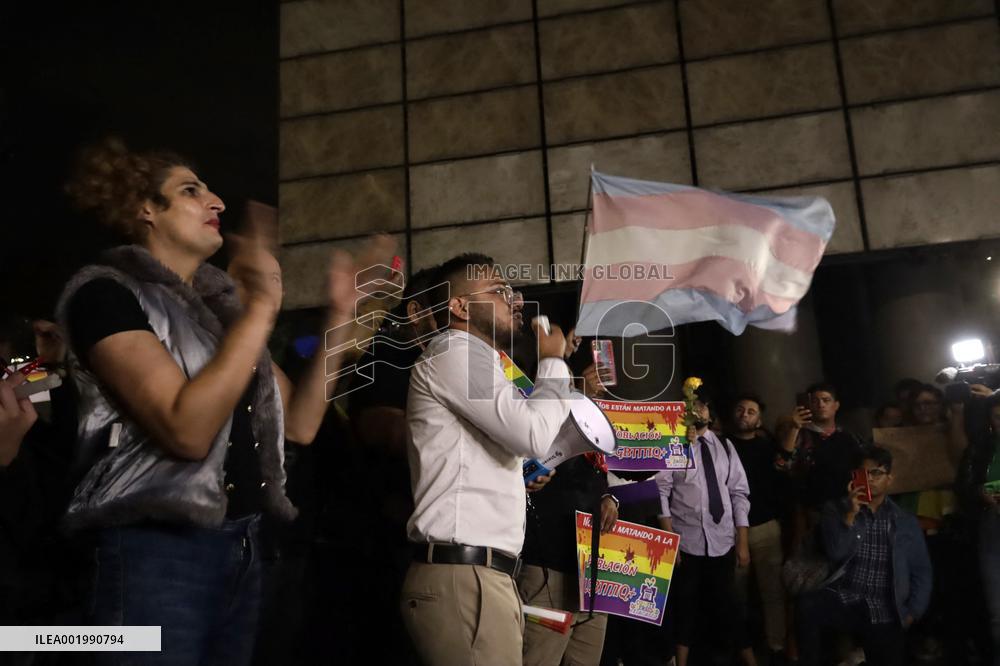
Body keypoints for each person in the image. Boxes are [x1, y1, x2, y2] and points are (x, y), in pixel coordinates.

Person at [56, 139, 376, 664]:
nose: (218, 202)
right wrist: (260, 312)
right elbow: (186, 430)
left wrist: (341, 316)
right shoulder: (105, 294)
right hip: (150, 551)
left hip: (242, 547)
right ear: (145, 210)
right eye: (190, 191)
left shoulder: (218, 316)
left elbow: (299, 424)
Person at [401, 253, 575, 666]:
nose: (514, 300)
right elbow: (532, 433)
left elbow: (478, 456)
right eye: (499, 291)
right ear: (459, 307)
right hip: (465, 576)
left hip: (480, 574)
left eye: (512, 291)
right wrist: (553, 361)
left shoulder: (480, 363)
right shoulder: (456, 351)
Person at [519, 356, 619, 666]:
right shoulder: (537, 416)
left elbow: (598, 479)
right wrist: (577, 394)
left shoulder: (596, 430)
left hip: (590, 571)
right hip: (547, 567)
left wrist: (609, 498)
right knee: (540, 656)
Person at [797, 445, 932, 666]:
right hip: (847, 596)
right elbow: (836, 553)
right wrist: (850, 515)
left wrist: (913, 612)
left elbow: (922, 570)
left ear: (889, 478)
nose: (869, 479)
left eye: (876, 473)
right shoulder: (836, 509)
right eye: (862, 473)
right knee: (807, 606)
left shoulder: (904, 521)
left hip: (885, 605)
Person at [655, 384, 751, 666]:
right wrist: (669, 538)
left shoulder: (724, 445)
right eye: (691, 406)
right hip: (687, 539)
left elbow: (738, 492)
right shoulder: (676, 445)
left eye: (702, 405)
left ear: (710, 411)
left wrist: (742, 539)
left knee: (729, 603)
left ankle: (747, 657)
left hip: (722, 539)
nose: (697, 410)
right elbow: (661, 490)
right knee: (685, 605)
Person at [727, 395, 790, 664]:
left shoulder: (767, 447)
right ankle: (740, 647)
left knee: (773, 591)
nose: (744, 414)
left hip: (765, 526)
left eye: (751, 411)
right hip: (730, 531)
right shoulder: (722, 446)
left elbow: (784, 466)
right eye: (740, 409)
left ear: (759, 420)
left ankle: (777, 646)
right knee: (735, 594)